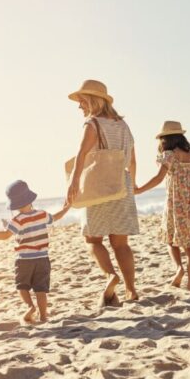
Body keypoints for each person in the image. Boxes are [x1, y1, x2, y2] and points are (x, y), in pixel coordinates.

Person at [66, 80, 140, 307]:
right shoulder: (123, 125)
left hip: (99, 185)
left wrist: (73, 182)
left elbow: (82, 154)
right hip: (122, 184)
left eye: (81, 102)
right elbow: (133, 160)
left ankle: (110, 275)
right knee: (121, 243)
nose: (79, 107)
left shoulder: (92, 123)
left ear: (90, 100)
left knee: (92, 239)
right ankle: (131, 289)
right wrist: (133, 185)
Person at [0, 180, 71, 324]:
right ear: (29, 198)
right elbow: (56, 217)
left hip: (24, 260)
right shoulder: (42, 214)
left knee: (22, 286)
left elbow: (5, 235)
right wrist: (67, 207)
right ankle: (43, 316)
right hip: (42, 259)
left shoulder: (17, 220)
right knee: (41, 290)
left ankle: (30, 307)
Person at [135, 121, 190, 290]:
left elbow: (158, 178)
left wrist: (139, 190)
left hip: (174, 206)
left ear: (165, 140)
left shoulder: (168, 156)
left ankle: (179, 268)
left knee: (170, 239)